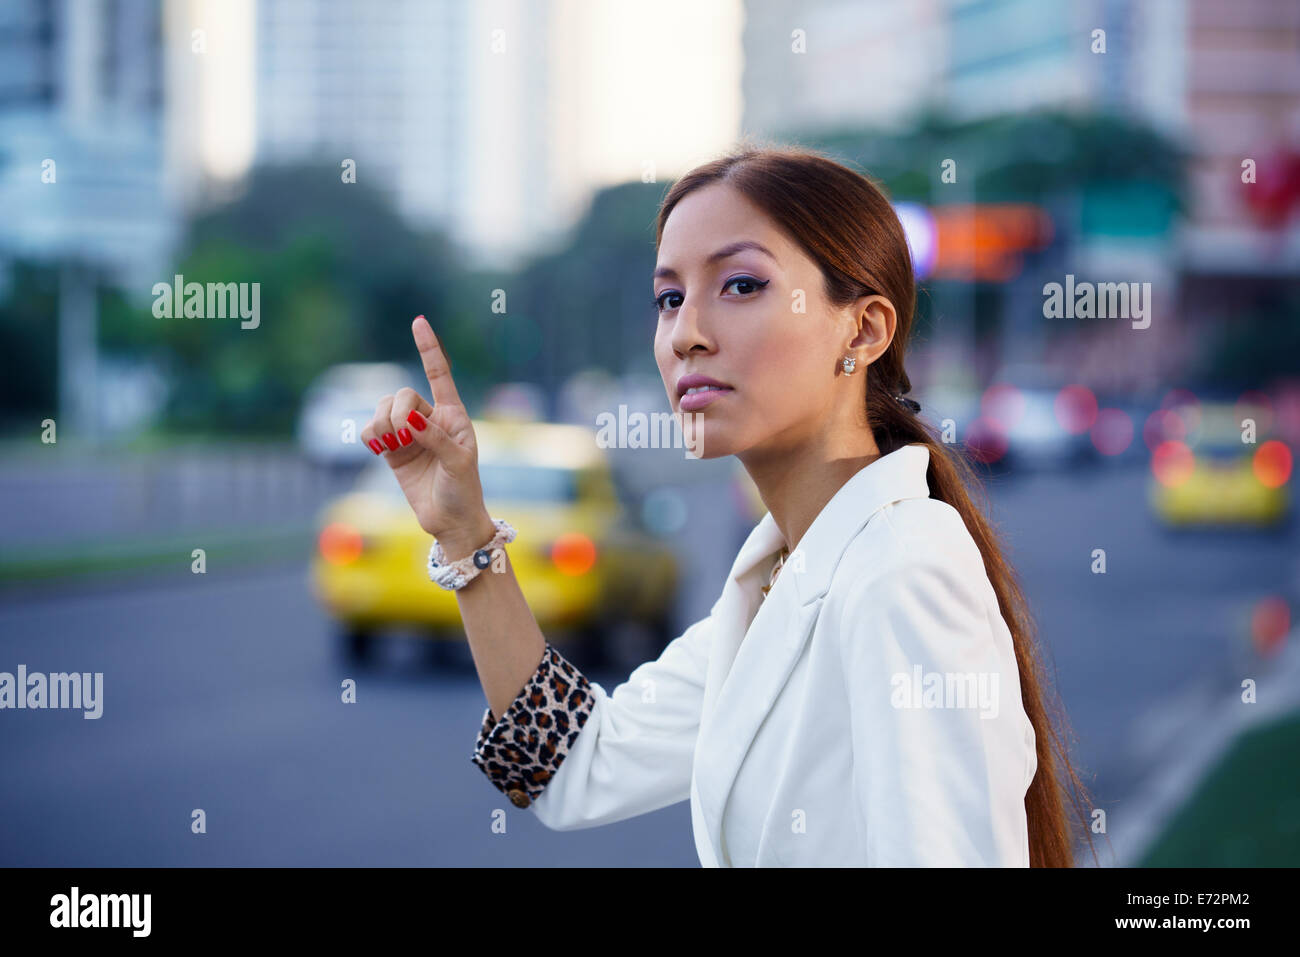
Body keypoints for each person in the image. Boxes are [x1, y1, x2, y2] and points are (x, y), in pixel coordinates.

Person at [361, 142, 1096, 867]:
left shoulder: (898, 572)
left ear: (863, 329)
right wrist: (465, 531)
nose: (687, 334)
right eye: (669, 298)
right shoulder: (783, 575)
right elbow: (568, 766)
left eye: (741, 285)